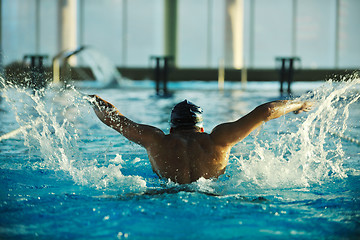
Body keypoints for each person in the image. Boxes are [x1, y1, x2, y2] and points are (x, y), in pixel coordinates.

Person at [89, 95, 313, 184]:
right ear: (201, 126)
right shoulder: (219, 139)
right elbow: (267, 110)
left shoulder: (156, 140)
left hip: (163, 198)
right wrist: (299, 104)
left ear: (172, 127)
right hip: (213, 199)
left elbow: (114, 120)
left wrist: (89, 99)